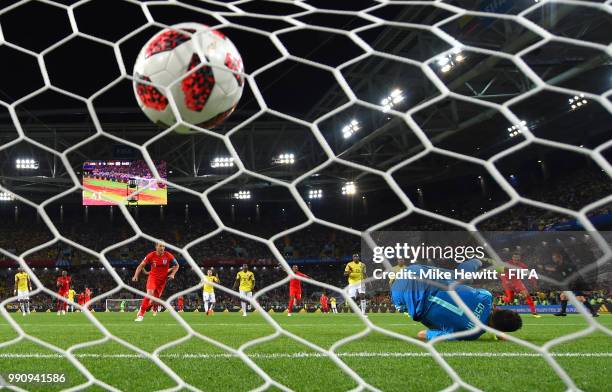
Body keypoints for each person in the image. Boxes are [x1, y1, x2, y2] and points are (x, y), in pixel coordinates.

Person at [391, 259, 522, 341]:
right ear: (498, 329)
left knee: (461, 279)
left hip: (417, 271)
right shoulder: (470, 334)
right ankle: (395, 285)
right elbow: (422, 334)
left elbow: (486, 310)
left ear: (499, 308)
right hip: (401, 294)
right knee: (413, 311)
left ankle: (476, 261)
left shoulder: (486, 297)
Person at [132, 242, 179, 322]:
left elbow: (177, 265)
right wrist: (136, 275)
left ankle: (143, 308)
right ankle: (141, 315)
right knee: (149, 293)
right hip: (152, 278)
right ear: (156, 246)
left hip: (162, 281)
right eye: (160, 246)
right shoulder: (151, 255)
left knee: (154, 301)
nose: (162, 248)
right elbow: (141, 266)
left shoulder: (168, 255)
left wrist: (173, 274)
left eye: (164, 246)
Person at [547, 251, 599, 317]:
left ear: (559, 258)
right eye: (553, 258)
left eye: (554, 258)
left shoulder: (567, 265)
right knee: (563, 296)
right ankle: (563, 312)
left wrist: (573, 283)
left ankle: (593, 312)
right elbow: (555, 270)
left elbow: (575, 274)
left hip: (576, 283)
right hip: (570, 284)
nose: (553, 259)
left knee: (580, 298)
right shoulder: (559, 266)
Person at [501, 253, 541, 318]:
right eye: (515, 257)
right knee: (511, 300)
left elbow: (529, 274)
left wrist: (534, 283)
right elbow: (500, 272)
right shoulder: (507, 264)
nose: (516, 259)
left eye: (517, 258)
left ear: (519, 258)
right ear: (512, 258)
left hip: (517, 282)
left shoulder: (522, 265)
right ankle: (503, 298)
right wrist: (505, 280)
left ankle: (534, 312)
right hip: (508, 284)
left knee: (527, 295)